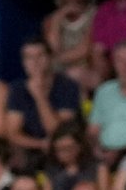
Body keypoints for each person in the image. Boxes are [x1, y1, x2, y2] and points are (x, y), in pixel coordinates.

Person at [5, 36, 81, 171]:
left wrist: (39, 96)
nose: (35, 62)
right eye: (29, 57)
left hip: (63, 150)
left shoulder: (67, 86)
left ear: (50, 58)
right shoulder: (17, 89)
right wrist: (40, 144)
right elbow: (12, 133)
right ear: (24, 63)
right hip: (32, 149)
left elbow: (58, 131)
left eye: (40, 56)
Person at [42, 0, 97, 88]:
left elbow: (85, 50)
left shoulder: (96, 15)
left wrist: (57, 59)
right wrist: (57, 19)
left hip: (86, 68)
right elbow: (52, 49)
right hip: (58, 69)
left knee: (73, 75)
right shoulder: (51, 19)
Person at [44, 123, 107, 190]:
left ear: (80, 147)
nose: (63, 153)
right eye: (59, 149)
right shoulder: (52, 170)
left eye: (68, 148)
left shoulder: (98, 167)